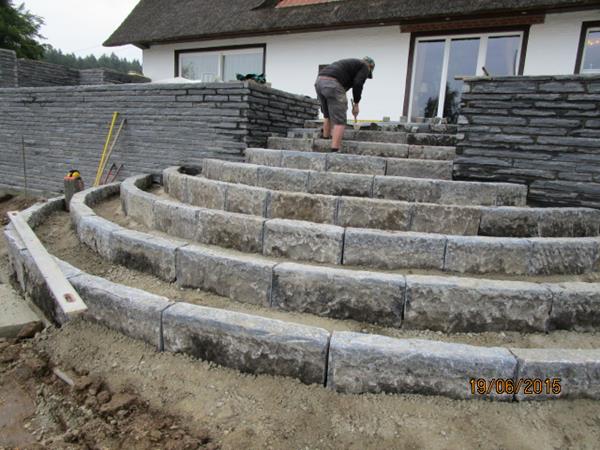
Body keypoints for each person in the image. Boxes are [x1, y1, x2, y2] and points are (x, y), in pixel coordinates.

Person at [314, 57, 375, 152]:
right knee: (340, 121)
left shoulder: (350, 64)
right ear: (370, 67)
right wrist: (356, 104)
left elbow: (344, 86)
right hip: (332, 83)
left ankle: (325, 141)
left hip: (319, 82)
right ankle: (334, 151)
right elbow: (358, 84)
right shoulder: (365, 67)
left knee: (327, 115)